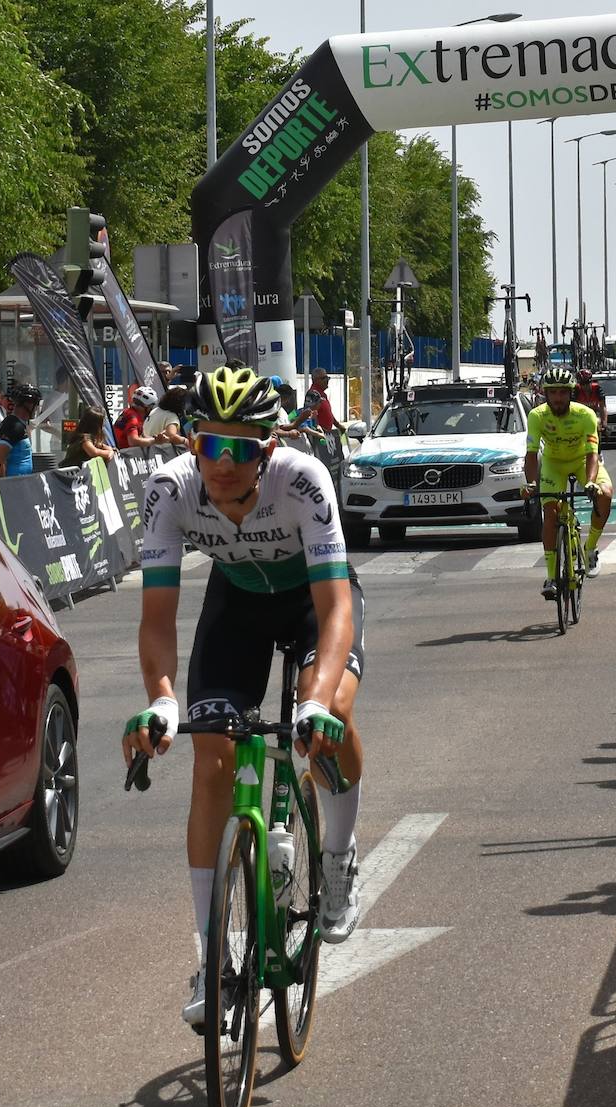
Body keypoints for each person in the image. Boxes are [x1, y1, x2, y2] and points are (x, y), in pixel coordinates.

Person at [120, 365, 367, 1030]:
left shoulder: (302, 480)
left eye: (241, 450)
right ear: (191, 442)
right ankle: (211, 957)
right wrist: (163, 699)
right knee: (211, 760)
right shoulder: (169, 490)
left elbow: (336, 602)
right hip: (238, 607)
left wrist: (313, 699)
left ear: (268, 449)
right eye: (209, 445)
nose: (222, 464)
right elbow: (156, 619)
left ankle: (339, 857)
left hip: (312, 604)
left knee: (331, 714)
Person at [522, 368, 614, 598]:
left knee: (606, 494)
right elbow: (532, 454)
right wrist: (531, 483)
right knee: (550, 512)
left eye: (563, 392)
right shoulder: (537, 416)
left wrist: (591, 483)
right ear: (546, 393)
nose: (558, 398)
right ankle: (552, 576)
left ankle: (590, 548)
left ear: (571, 392)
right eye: (553, 393)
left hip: (582, 461)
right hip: (554, 464)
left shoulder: (585, 415)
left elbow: (593, 452)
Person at [0, 383, 42, 476]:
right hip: (14, 485)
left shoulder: (13, 422)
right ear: (28, 404)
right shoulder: (15, 426)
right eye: (36, 404)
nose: (36, 408)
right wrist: (3, 485)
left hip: (20, 483)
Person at [574, 368, 607, 435]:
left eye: (587, 383)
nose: (585, 386)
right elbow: (571, 407)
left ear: (591, 382)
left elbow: (602, 407)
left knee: (598, 424)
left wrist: (604, 423)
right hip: (580, 417)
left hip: (594, 415)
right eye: (582, 384)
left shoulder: (597, 389)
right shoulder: (576, 390)